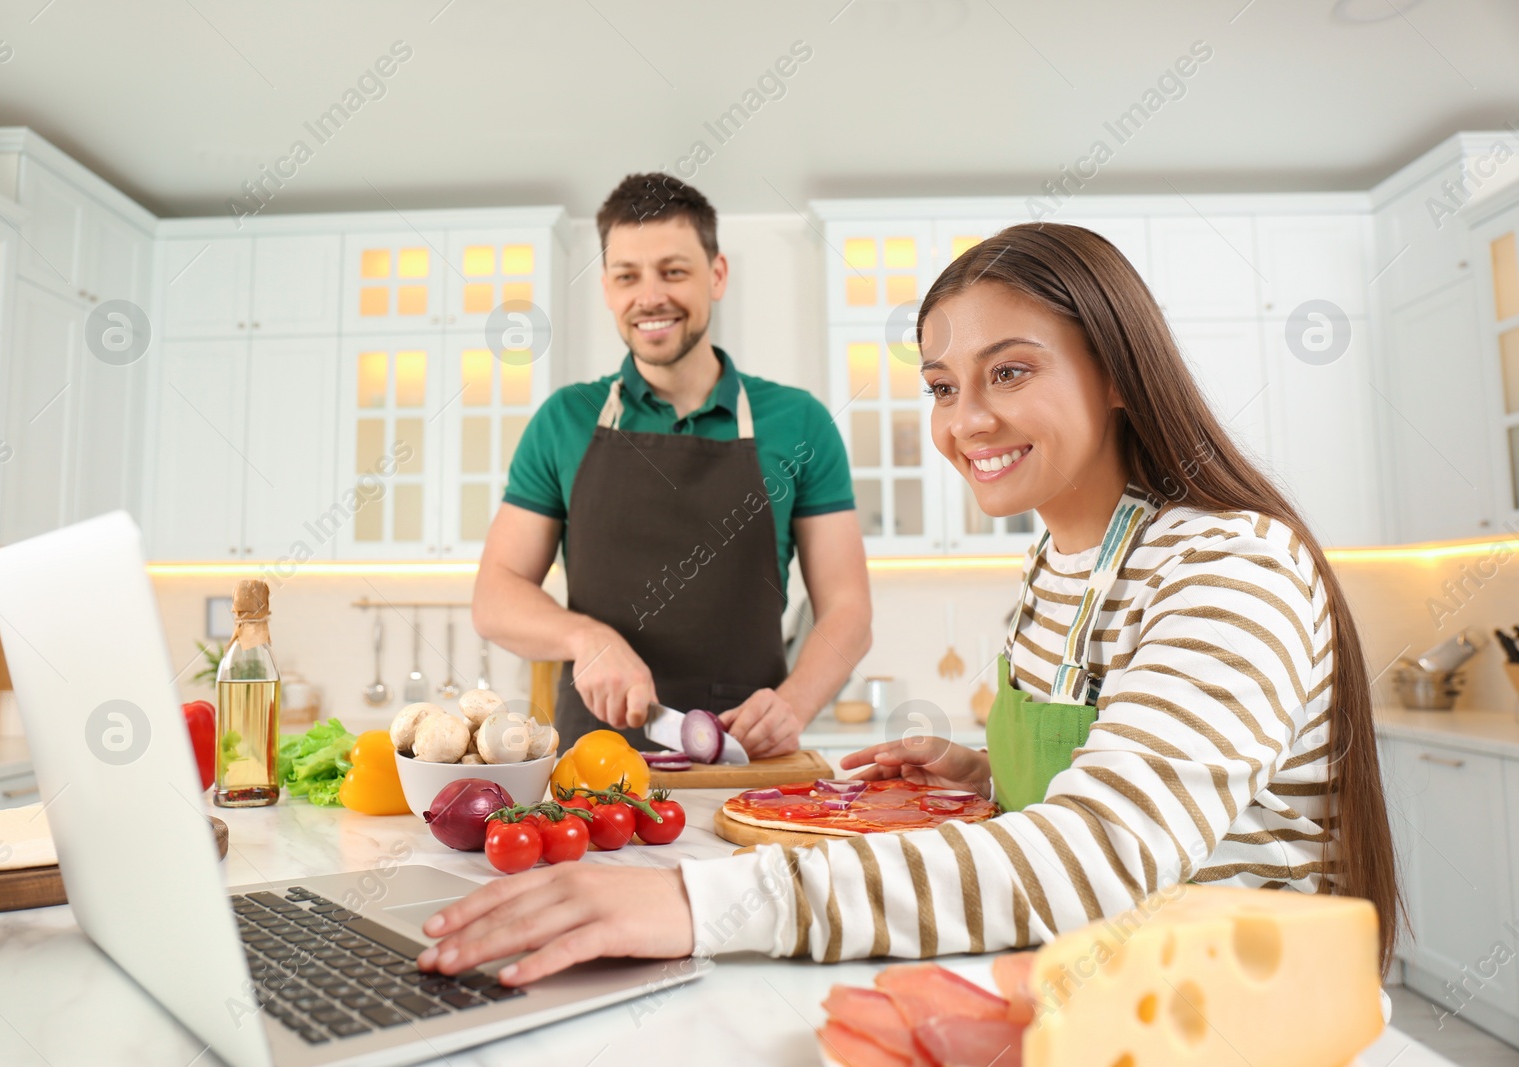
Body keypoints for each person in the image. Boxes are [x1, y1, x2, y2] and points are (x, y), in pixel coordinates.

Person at [420, 222, 1400, 987]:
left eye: (1008, 370)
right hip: (1083, 986)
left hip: (1223, 1014)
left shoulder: (1228, 562)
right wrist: (984, 766)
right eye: (941, 385)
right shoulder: (1063, 561)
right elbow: (1131, 778)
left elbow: (1100, 853)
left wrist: (696, 902)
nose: (966, 419)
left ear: (1114, 370)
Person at [472, 174, 872, 757]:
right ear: (607, 288)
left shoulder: (800, 421)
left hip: (746, 755)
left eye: (674, 271)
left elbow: (848, 609)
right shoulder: (564, 419)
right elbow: (495, 595)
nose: (650, 296)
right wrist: (586, 637)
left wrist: (794, 705)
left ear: (717, 276)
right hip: (594, 764)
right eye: (628, 276)